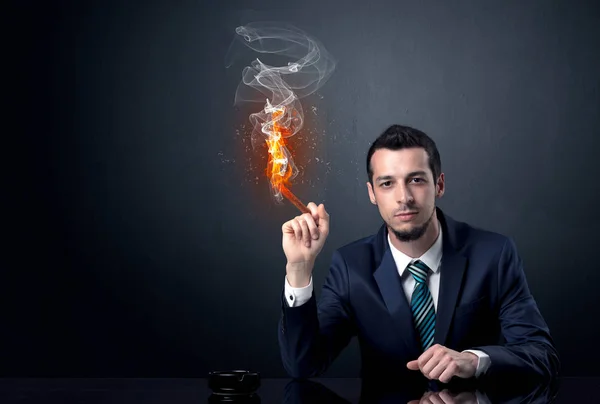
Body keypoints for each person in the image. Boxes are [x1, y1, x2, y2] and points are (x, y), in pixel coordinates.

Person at [277, 124, 560, 383]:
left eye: (416, 180)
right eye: (387, 183)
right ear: (372, 193)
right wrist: (299, 269)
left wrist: (475, 360)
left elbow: (542, 356)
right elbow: (304, 366)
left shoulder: (494, 255)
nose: (404, 197)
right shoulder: (351, 266)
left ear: (439, 184)